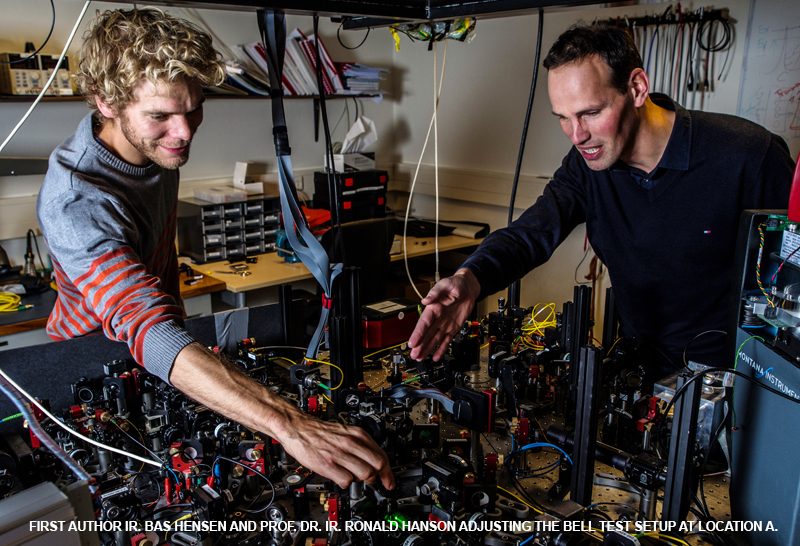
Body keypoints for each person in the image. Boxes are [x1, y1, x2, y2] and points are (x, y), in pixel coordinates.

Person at [36, 8, 393, 490]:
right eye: (161, 116)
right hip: (92, 372)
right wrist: (291, 426)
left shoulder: (156, 147)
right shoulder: (77, 201)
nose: (183, 133)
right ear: (106, 102)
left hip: (167, 364)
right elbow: (147, 330)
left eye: (194, 108)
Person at [408, 24, 795, 377]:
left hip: (728, 385)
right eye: (563, 117)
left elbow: (791, 292)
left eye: (591, 113)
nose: (576, 135)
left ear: (637, 88)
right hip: (636, 377)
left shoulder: (748, 157)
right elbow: (531, 233)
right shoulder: (587, 164)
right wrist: (470, 278)